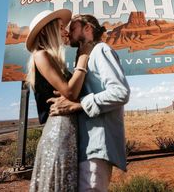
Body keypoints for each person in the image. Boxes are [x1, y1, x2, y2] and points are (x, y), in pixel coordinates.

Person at [48, 14, 130, 192]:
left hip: (97, 144)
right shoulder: (85, 57)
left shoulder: (101, 50)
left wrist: (77, 105)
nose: (68, 34)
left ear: (88, 29)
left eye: (73, 28)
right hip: (86, 145)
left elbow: (120, 92)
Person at [25, 9, 94, 192]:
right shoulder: (40, 55)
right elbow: (70, 92)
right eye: (61, 27)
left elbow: (74, 94)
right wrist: (84, 56)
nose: (65, 32)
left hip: (67, 132)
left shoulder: (56, 62)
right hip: (58, 132)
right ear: (46, 31)